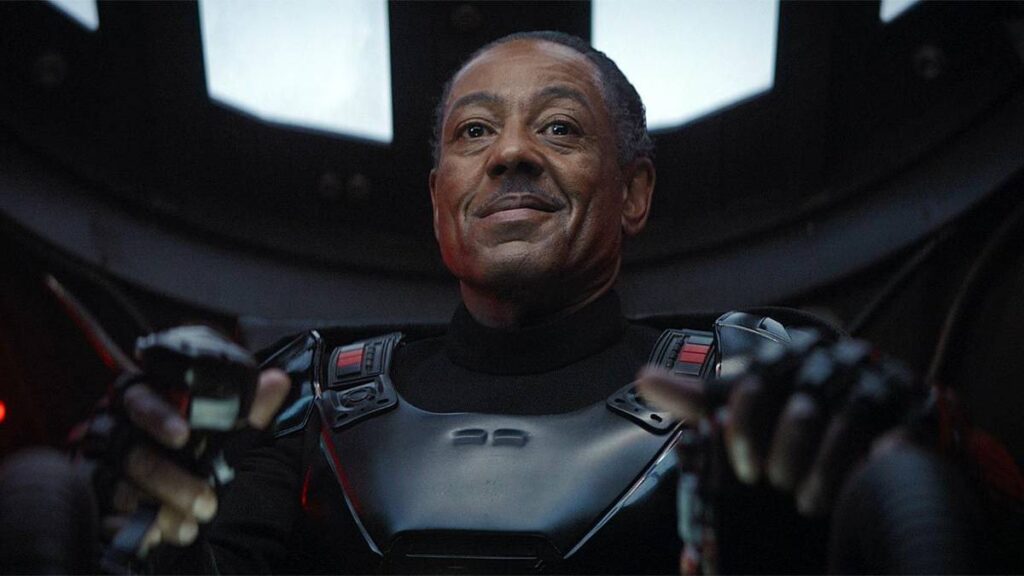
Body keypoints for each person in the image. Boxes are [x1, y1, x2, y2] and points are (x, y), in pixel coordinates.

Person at [93, 31, 942, 574]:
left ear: (634, 193)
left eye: (560, 127)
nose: (510, 156)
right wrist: (148, 505)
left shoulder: (754, 379)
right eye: (474, 132)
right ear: (439, 200)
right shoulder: (304, 397)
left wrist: (898, 445)